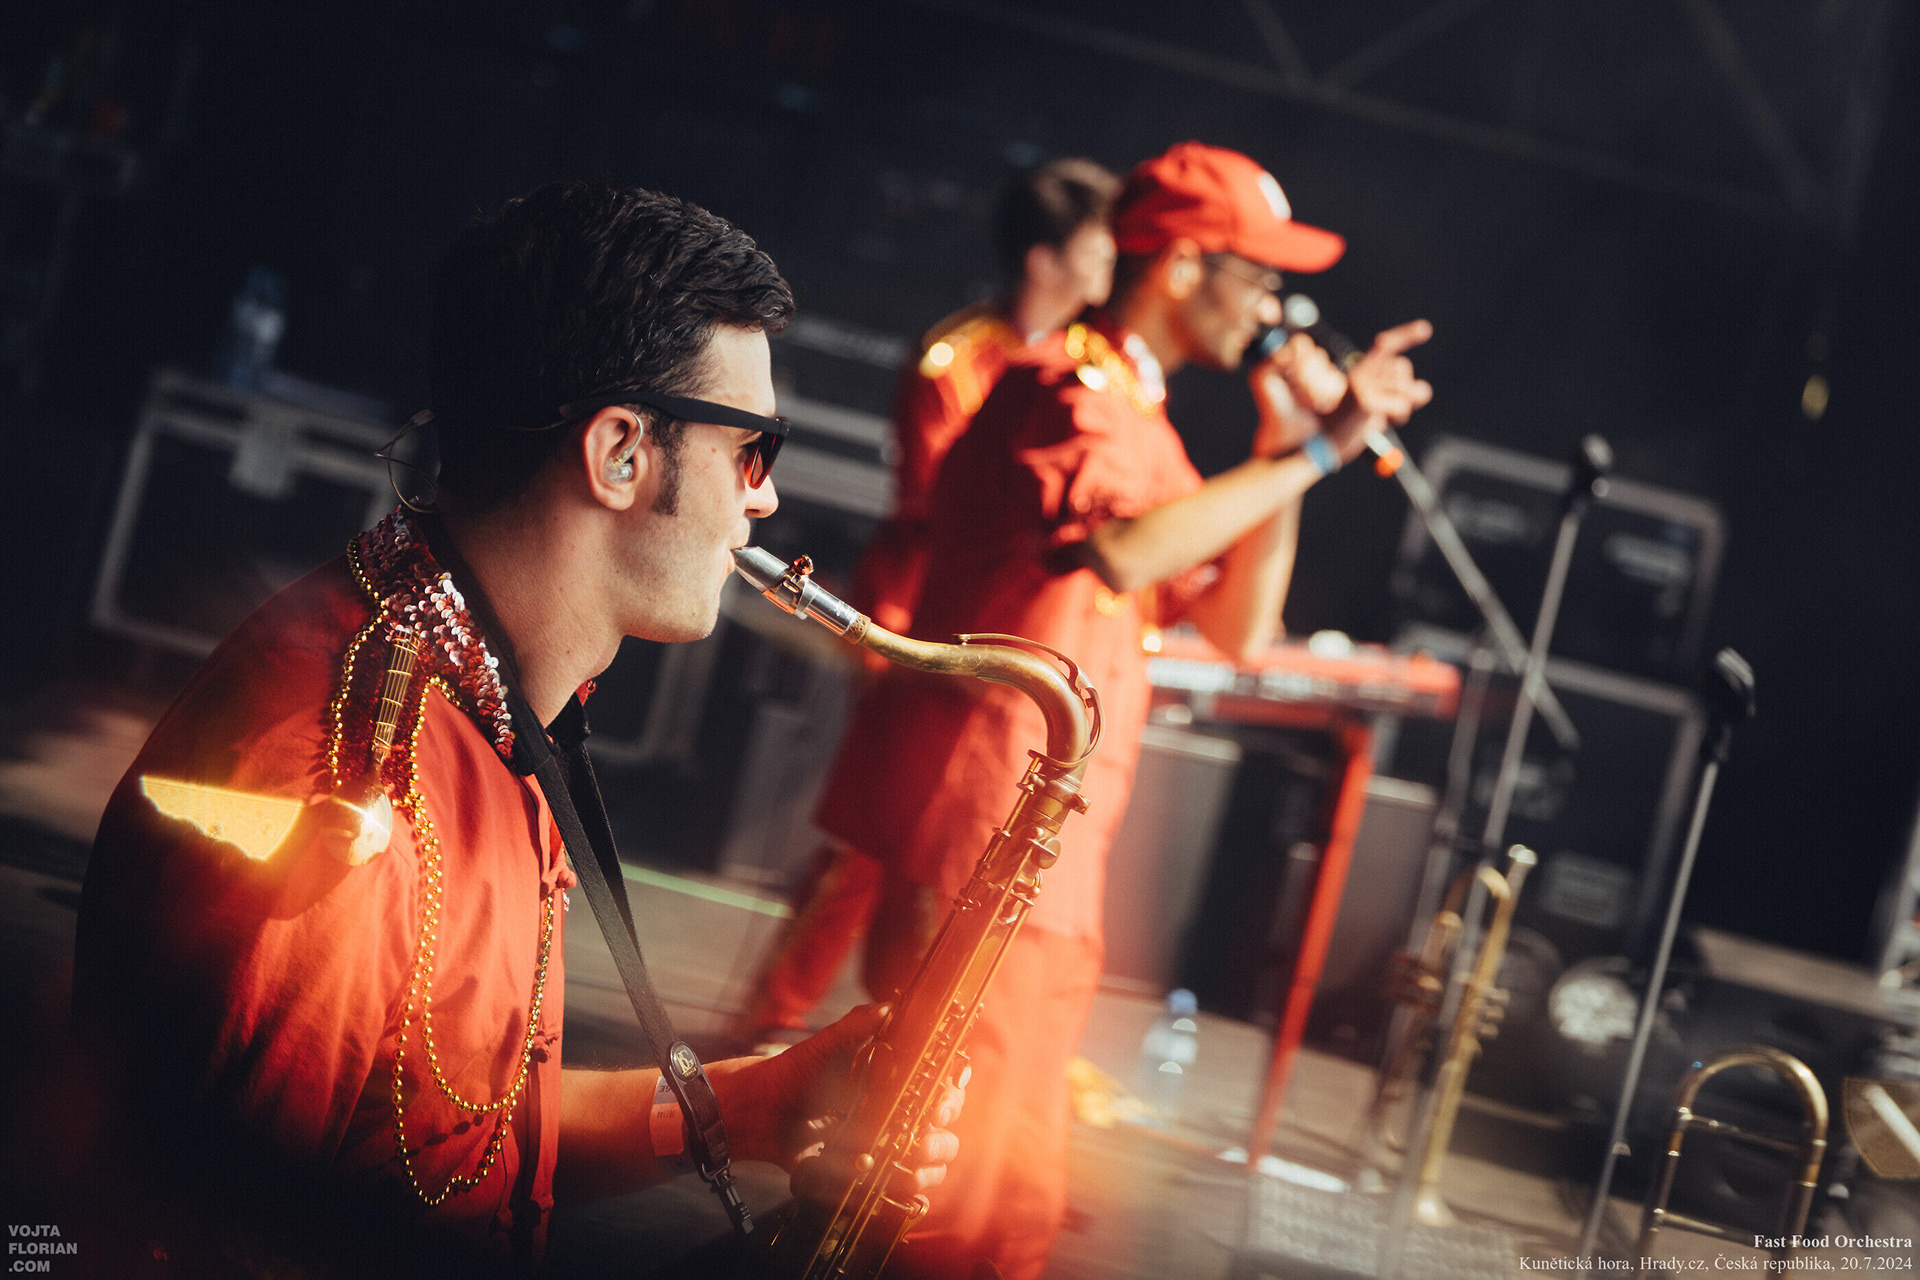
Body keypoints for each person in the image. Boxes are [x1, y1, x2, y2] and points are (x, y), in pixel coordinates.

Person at [69, 182, 959, 1278]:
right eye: (752, 448)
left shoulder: (496, 696)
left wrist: (750, 1105)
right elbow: (197, 1235)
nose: (763, 500)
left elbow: (448, 1133)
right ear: (619, 451)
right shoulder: (347, 793)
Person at [810, 142, 1435, 1280]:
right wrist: (1320, 450)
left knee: (1000, 1188)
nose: (1273, 309)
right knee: (961, 1196)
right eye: (1260, 278)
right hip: (982, 822)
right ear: (1184, 265)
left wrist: (1284, 445)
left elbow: (1240, 626)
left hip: (1045, 835)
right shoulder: (1060, 389)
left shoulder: (1140, 420)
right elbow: (1125, 551)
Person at [735, 157, 1120, 1048]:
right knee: (877, 833)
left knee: (965, 840)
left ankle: (912, 1039)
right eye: (1099, 245)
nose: (1112, 263)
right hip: (921, 616)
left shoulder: (1097, 367)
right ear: (1044, 258)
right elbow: (943, 505)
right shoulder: (959, 359)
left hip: (1022, 624)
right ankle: (769, 1025)